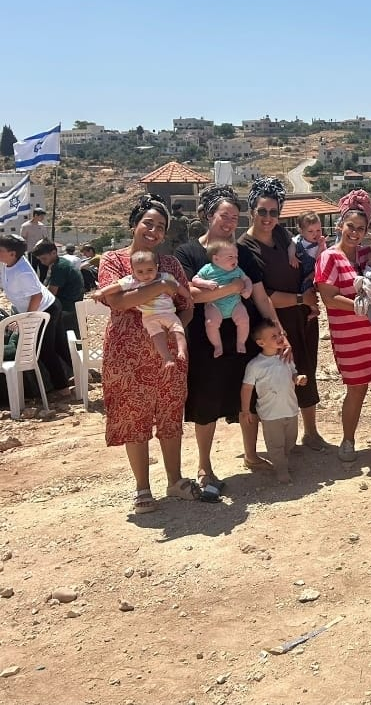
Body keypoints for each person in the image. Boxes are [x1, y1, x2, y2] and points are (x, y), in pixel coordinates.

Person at [176, 184, 284, 498]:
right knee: (206, 402)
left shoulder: (243, 253)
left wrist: (279, 331)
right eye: (224, 215)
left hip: (242, 336)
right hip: (205, 339)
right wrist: (233, 287)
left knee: (246, 397)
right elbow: (191, 295)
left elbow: (261, 297)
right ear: (208, 215)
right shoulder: (188, 253)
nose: (230, 222)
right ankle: (204, 465)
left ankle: (250, 455)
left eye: (235, 217)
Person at [95, 195, 199, 514]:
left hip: (166, 353)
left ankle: (175, 480)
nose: (154, 231)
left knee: (169, 416)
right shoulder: (113, 261)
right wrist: (160, 287)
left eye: (161, 227)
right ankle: (142, 488)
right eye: (148, 223)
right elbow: (119, 303)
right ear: (134, 225)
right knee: (133, 417)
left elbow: (188, 307)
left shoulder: (170, 264)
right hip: (126, 356)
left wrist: (174, 330)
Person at [237, 177, 325, 453]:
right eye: (262, 211)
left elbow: (296, 256)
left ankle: (310, 432)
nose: (268, 217)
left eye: (273, 212)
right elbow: (265, 295)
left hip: (302, 317)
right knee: (274, 382)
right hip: (273, 323)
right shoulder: (244, 247)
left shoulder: (281, 234)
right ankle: (274, 444)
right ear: (252, 210)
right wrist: (302, 298)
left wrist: (308, 300)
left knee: (306, 369)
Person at [315, 189, 371, 461]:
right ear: (341, 225)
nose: (355, 232)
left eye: (360, 228)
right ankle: (348, 441)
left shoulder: (368, 254)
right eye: (350, 227)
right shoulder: (329, 257)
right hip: (350, 337)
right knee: (356, 388)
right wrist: (357, 305)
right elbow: (328, 297)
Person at [0, 234, 73, 396]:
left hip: (45, 309)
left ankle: (62, 388)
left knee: (45, 350)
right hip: (46, 306)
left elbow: (37, 296)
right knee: (58, 345)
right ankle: (76, 375)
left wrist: (24, 320)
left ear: (12, 253)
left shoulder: (22, 271)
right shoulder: (6, 264)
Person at [91, 250, 189, 367]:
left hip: (168, 313)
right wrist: (101, 292)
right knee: (157, 335)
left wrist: (188, 296)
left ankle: (181, 351)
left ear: (156, 267)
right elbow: (116, 287)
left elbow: (179, 287)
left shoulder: (166, 276)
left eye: (149, 270)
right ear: (133, 271)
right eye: (140, 272)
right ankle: (167, 357)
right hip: (149, 316)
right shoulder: (132, 281)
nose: (145, 275)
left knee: (178, 331)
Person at [241, 318, 308, 484]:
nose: (279, 338)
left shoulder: (286, 357)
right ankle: (281, 469)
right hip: (270, 413)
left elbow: (292, 374)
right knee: (275, 444)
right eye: (273, 336)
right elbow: (247, 388)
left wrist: (298, 378)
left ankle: (282, 461)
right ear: (260, 342)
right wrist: (245, 410)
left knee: (290, 440)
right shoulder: (255, 365)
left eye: (280, 334)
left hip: (290, 408)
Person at [191, 241, 252, 358]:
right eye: (230, 257)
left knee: (244, 319)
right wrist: (205, 283)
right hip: (214, 304)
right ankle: (217, 345)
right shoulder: (208, 268)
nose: (235, 259)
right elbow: (195, 279)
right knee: (210, 323)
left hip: (235, 304)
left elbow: (247, 280)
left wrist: (248, 290)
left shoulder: (237, 270)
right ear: (216, 258)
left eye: (236, 256)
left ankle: (241, 342)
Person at [32, 239, 85, 333]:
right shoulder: (59, 262)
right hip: (71, 304)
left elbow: (51, 293)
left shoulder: (60, 267)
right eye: (40, 259)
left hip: (68, 307)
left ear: (53, 253)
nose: (42, 262)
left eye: (44, 259)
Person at [292, 211, 326, 300]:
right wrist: (292, 255)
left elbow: (319, 260)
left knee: (307, 288)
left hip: (312, 272)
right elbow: (290, 246)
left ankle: (314, 308)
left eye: (318, 230)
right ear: (301, 231)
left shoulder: (320, 244)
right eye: (310, 231)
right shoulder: (298, 240)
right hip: (298, 271)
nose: (315, 234)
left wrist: (321, 247)